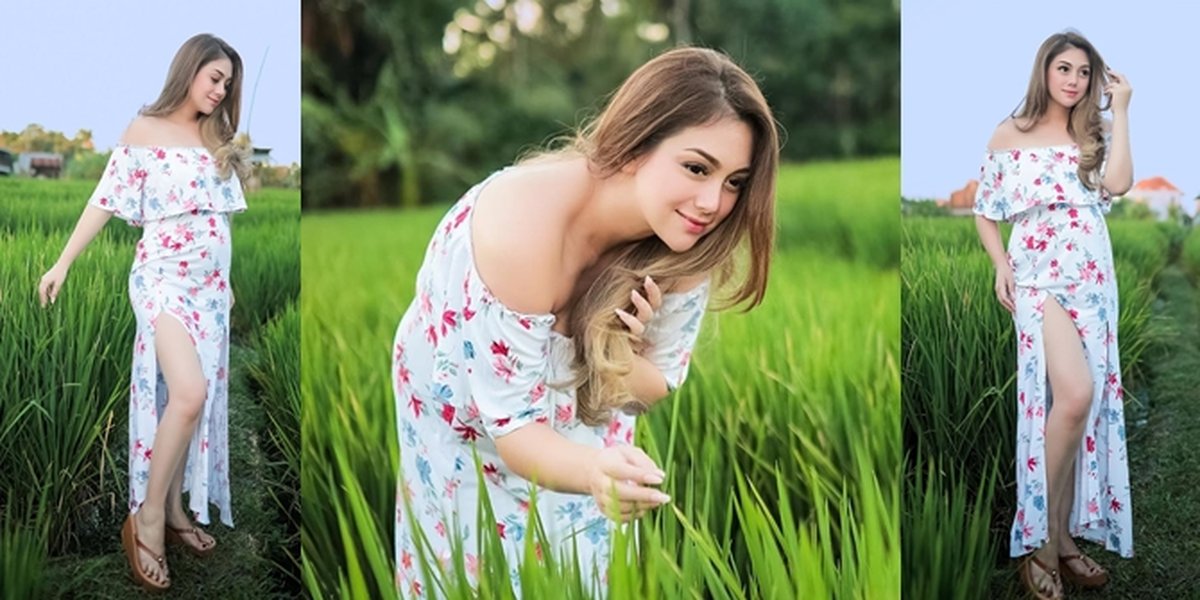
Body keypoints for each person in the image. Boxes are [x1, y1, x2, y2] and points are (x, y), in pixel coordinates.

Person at [391, 46, 778, 596]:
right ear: (634, 146)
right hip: (467, 431)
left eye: (736, 181)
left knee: (580, 576)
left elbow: (655, 384)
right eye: (696, 167)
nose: (714, 201)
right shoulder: (523, 229)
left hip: (586, 441)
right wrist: (597, 472)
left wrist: (615, 354)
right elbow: (515, 431)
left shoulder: (688, 243)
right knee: (469, 574)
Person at [37, 33, 250, 592]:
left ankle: (177, 511)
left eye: (227, 83)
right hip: (161, 280)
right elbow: (105, 199)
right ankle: (148, 516)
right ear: (189, 71)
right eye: (214, 78)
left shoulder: (216, 135)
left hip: (209, 289)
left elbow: (219, 218)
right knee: (188, 392)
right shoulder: (144, 131)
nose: (220, 90)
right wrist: (62, 263)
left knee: (189, 402)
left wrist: (226, 281)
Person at [972, 30, 1133, 600]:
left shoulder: (1094, 131)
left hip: (1091, 277)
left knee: (1081, 408)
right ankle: (1040, 544)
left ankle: (1063, 540)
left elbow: (1118, 184)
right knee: (1074, 394)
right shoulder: (1006, 133)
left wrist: (1125, 109)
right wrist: (1000, 266)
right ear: (1044, 71)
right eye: (1063, 68)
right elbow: (986, 212)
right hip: (1037, 276)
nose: (1073, 80)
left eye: (1084, 72)